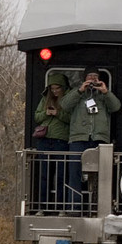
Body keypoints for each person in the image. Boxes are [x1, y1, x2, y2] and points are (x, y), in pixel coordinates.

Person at [60, 67, 121, 214]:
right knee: (74, 173)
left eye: (95, 76)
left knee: (102, 175)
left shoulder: (103, 95)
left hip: (99, 139)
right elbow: (64, 105)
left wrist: (105, 92)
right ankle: (74, 208)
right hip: (78, 138)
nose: (93, 79)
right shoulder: (77, 93)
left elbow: (116, 107)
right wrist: (80, 90)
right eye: (90, 76)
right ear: (84, 78)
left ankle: (100, 208)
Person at [33, 74, 71, 215]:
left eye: (57, 88)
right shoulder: (45, 99)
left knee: (61, 176)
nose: (55, 91)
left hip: (61, 142)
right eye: (52, 88)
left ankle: (61, 207)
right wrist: (46, 113)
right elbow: (37, 117)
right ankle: (43, 207)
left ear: (63, 87)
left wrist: (58, 114)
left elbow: (72, 118)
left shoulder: (68, 100)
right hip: (44, 141)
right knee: (44, 175)